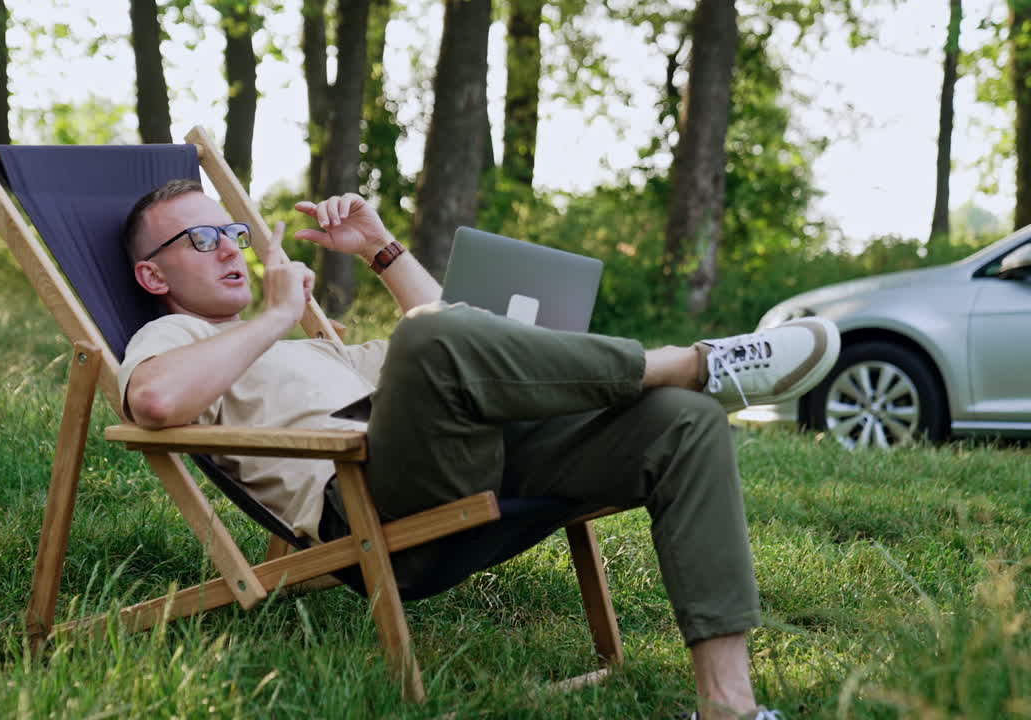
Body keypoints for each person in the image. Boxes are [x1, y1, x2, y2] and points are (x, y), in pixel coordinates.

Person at [117, 179, 836, 720]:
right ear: (154, 276)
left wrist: (378, 247)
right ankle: (688, 361)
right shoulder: (174, 338)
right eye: (200, 240)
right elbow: (153, 403)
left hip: (459, 466)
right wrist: (278, 313)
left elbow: (453, 326)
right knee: (430, 340)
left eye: (231, 231)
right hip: (377, 511)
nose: (229, 249)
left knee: (683, 422)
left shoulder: (315, 348)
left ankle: (729, 707)